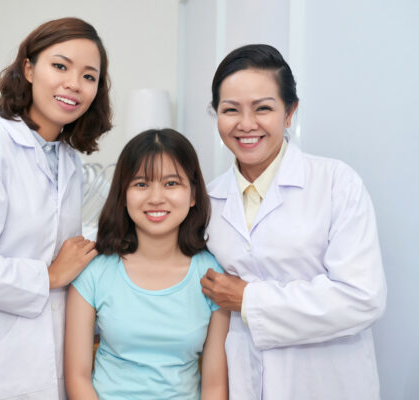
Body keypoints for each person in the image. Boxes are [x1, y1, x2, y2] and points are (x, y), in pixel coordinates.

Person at [0, 17, 112, 400]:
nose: (73, 84)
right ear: (29, 69)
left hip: (46, 353)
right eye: (60, 66)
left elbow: (53, 248)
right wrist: (47, 276)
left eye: (89, 76)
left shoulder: (68, 160)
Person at [200, 44, 387, 399]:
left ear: (289, 113)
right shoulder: (207, 201)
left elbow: (363, 298)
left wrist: (249, 299)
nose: (246, 124)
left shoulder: (335, 183)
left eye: (263, 108)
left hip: (328, 383)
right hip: (244, 383)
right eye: (230, 110)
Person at [64, 129, 230, 400]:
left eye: (171, 183)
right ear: (123, 194)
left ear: (193, 195)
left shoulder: (212, 277)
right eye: (141, 184)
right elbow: (77, 377)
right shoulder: (93, 271)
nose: (156, 198)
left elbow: (214, 385)